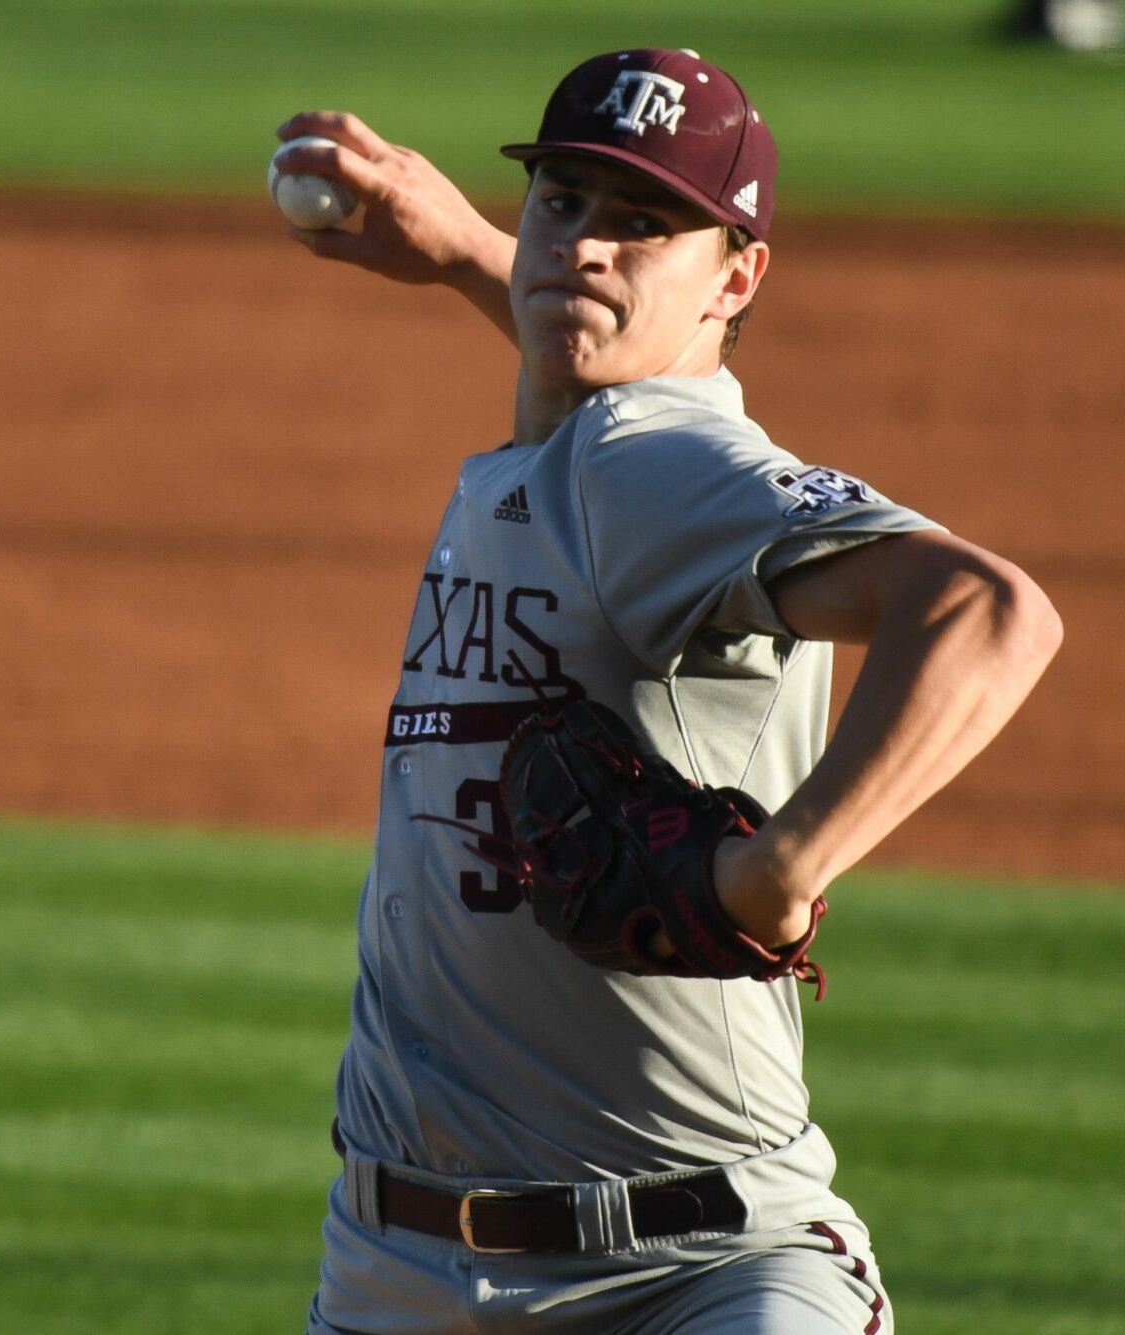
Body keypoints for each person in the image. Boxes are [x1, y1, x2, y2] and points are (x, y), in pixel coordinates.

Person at [274, 48, 1062, 1334]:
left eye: (645, 223)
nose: (585, 246)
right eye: (563, 203)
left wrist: (779, 870)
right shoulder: (568, 451)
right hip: (396, 1267)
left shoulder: (648, 457)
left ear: (739, 275)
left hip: (689, 1275)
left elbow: (987, 611)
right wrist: (476, 251)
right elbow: (586, 365)